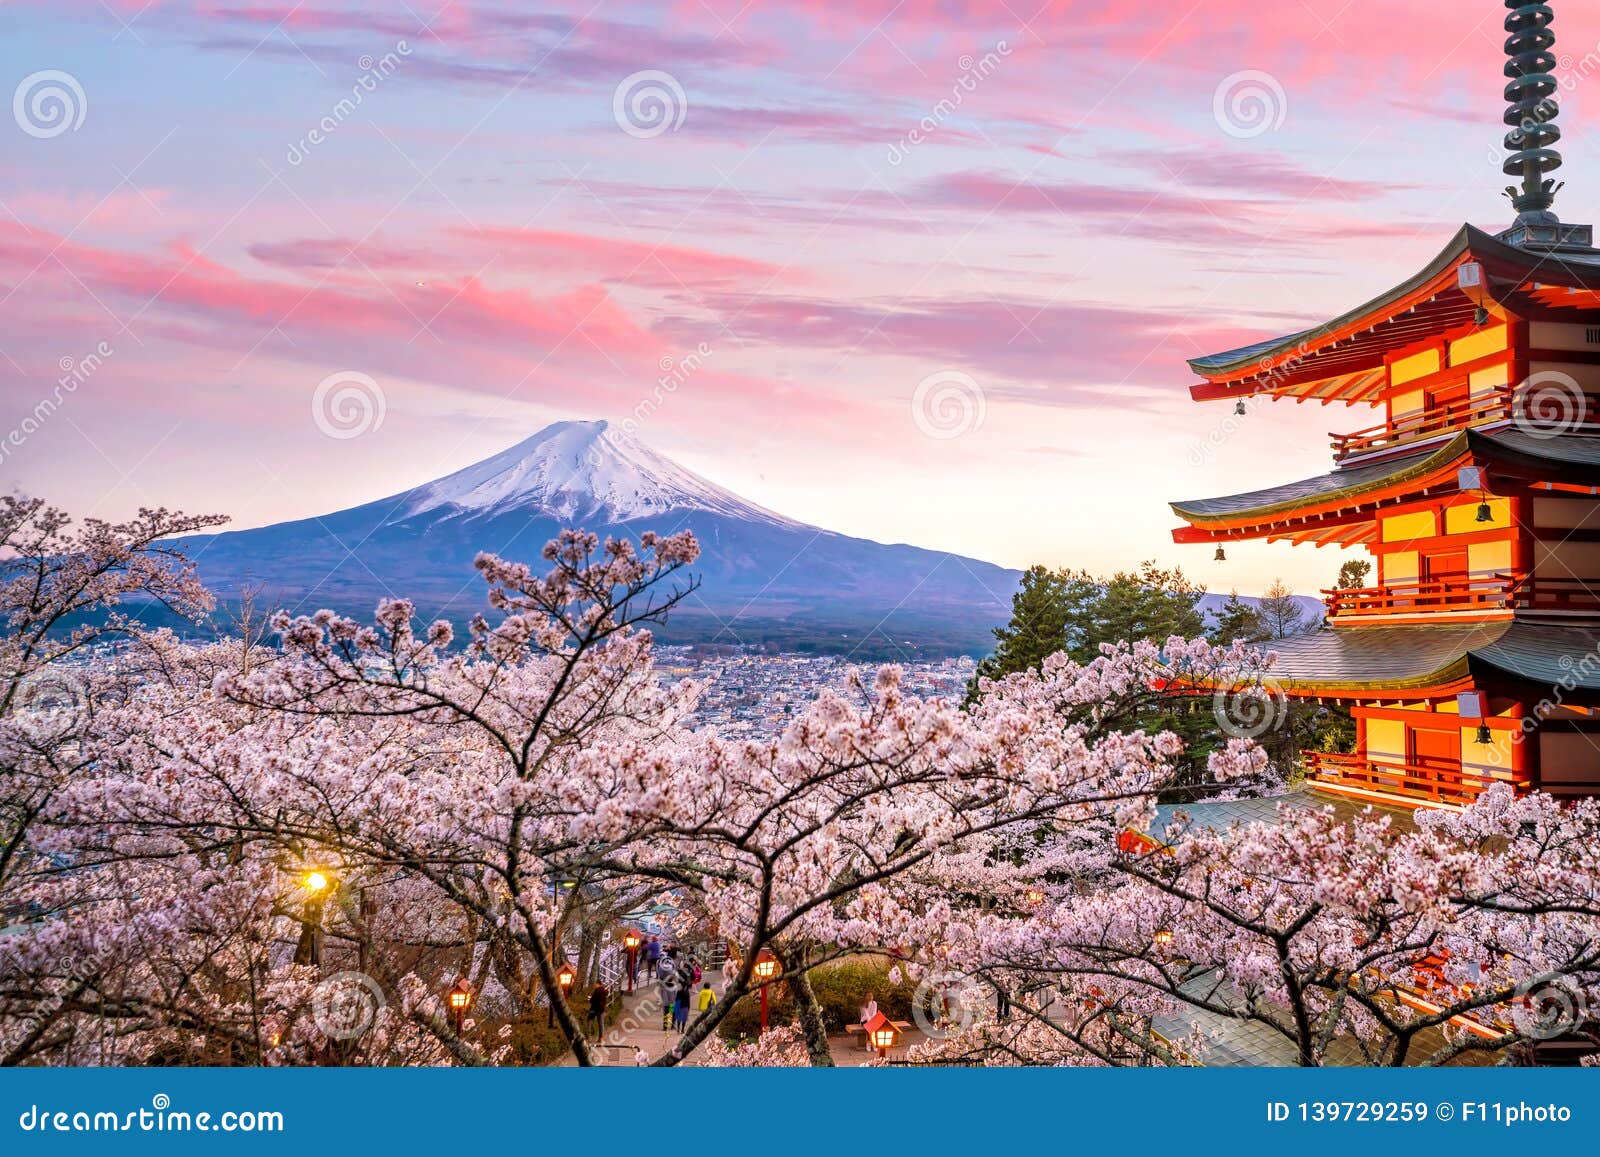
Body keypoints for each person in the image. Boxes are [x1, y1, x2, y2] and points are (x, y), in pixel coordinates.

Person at [657, 955, 678, 1031]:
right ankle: (672, 1025)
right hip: (672, 1002)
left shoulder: (662, 983)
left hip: (666, 1002)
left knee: (666, 1011)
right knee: (672, 1011)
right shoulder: (674, 980)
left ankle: (665, 1026)